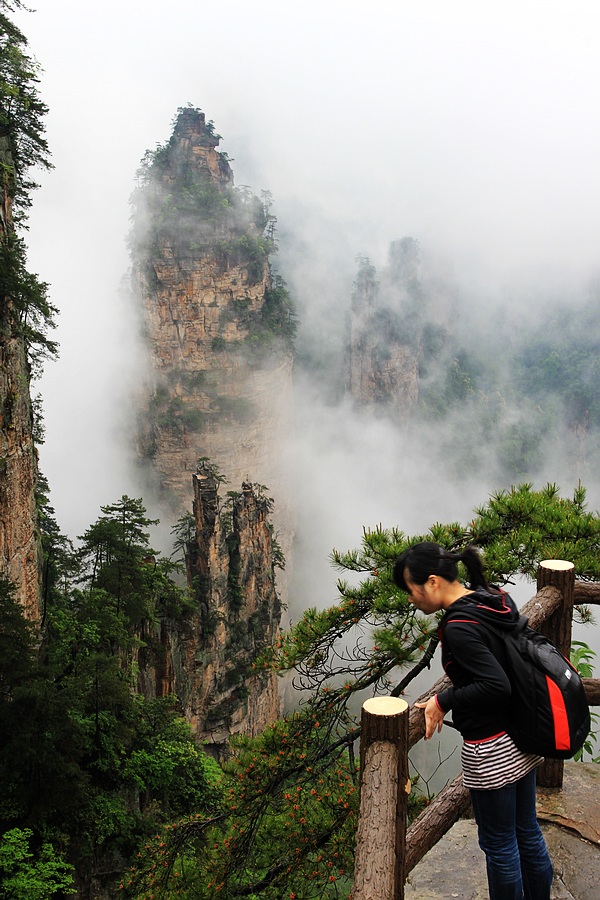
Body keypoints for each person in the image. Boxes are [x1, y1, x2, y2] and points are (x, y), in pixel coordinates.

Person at [392, 541, 553, 900]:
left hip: (492, 748)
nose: (409, 598)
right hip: (521, 733)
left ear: (432, 582)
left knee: (499, 845)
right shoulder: (491, 597)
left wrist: (442, 699)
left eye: (410, 589)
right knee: (527, 830)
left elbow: (496, 685)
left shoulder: (459, 626)